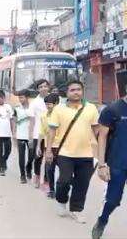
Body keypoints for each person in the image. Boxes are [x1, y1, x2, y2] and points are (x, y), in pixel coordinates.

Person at [46, 80, 99, 224]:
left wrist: (101, 152)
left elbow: (96, 130)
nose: (76, 92)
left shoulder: (91, 108)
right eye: (73, 90)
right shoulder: (59, 109)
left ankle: (76, 210)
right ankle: (61, 201)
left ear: (82, 91)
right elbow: (51, 131)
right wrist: (49, 150)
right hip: (65, 153)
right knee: (64, 180)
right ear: (67, 93)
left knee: (82, 183)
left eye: (79, 89)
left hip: (87, 153)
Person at [92, 92, 127, 239]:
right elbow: (102, 137)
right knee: (113, 200)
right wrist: (101, 165)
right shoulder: (112, 110)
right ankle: (102, 220)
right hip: (118, 162)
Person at [36, 93, 60, 199]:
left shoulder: (62, 116)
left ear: (56, 104)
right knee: (49, 169)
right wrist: (38, 146)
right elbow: (41, 132)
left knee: (65, 170)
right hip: (49, 146)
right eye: (46, 104)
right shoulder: (44, 116)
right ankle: (52, 190)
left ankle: (64, 187)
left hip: (62, 146)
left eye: (50, 104)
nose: (48, 107)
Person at [29, 79, 50, 188]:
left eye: (45, 86)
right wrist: (31, 137)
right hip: (38, 134)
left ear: (48, 87)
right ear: (38, 89)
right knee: (38, 158)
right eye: (41, 87)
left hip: (52, 135)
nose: (43, 88)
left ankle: (47, 180)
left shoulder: (55, 99)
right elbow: (32, 121)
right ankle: (36, 176)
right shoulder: (34, 103)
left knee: (50, 158)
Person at [13, 90, 34, 184]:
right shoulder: (17, 108)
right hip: (20, 135)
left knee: (31, 156)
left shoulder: (33, 108)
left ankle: (28, 167)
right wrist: (14, 133)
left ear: (27, 97)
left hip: (31, 136)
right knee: (21, 156)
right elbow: (14, 120)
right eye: (19, 97)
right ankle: (22, 175)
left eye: (22, 97)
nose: (20, 99)